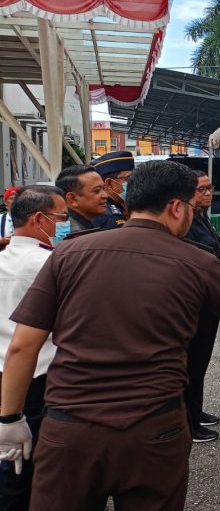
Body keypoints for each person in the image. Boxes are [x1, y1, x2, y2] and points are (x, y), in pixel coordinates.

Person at [0, 160, 220, 511]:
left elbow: (22, 346)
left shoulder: (68, 253)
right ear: (175, 207)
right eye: (191, 205)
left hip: (70, 429)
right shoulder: (197, 260)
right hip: (153, 429)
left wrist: (10, 419)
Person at [0, 186, 65, 511]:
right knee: (38, 472)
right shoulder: (49, 264)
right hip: (37, 381)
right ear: (40, 219)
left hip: (4, 379)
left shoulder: (3, 259)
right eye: (61, 219)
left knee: (11, 469)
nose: (63, 226)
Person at [182, 171, 220, 443]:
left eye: (210, 188)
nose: (208, 194)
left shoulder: (201, 217)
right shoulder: (185, 223)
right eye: (201, 189)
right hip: (195, 303)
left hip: (209, 301)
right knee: (190, 365)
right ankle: (188, 422)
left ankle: (195, 411)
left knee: (200, 364)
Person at [54, 165, 107, 233]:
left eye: (104, 188)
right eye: (97, 191)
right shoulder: (73, 234)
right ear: (72, 199)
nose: (105, 195)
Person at [89, 150, 134, 230]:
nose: (134, 182)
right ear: (109, 183)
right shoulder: (109, 216)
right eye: (128, 179)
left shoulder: (123, 206)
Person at [1, 186, 22, 251]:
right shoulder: (0, 219)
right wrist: (1, 242)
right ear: (5, 202)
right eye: (12, 198)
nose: (16, 201)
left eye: (19, 198)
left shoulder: (31, 219)